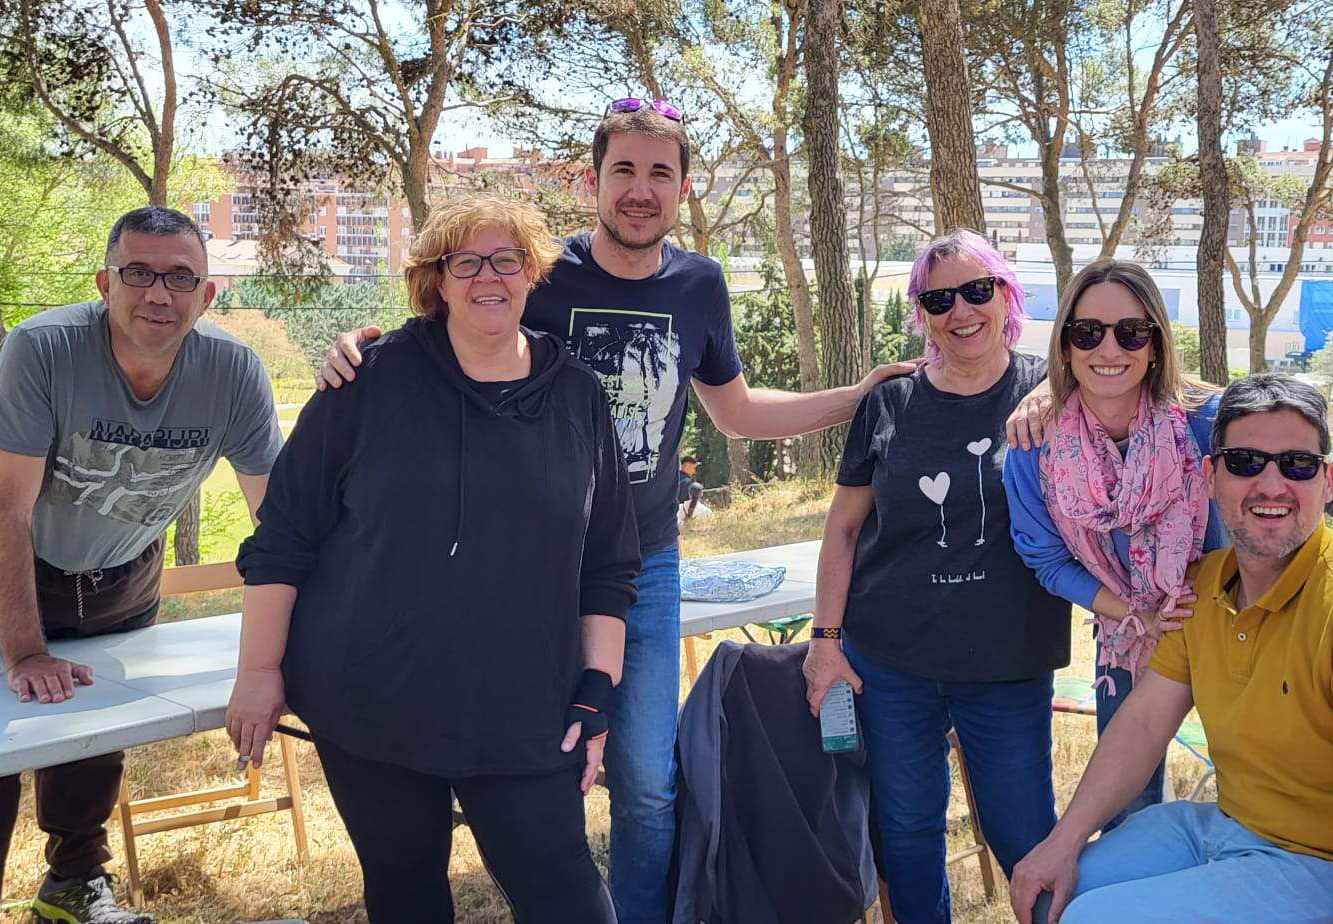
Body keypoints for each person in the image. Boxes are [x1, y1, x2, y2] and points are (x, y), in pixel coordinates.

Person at [312, 98, 917, 922]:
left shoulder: (699, 285)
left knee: (648, 784)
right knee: (525, 761)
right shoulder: (542, 273)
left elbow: (738, 412)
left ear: (684, 189)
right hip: (525, 566)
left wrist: (857, 396)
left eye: (660, 173)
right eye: (623, 170)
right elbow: (448, 334)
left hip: (644, 566)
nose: (641, 189)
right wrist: (357, 347)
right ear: (591, 182)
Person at [225, 195, 640, 923]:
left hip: (524, 708)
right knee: (406, 893)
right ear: (436, 281)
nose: (489, 276)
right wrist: (259, 671)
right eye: (465, 261)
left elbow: (608, 564)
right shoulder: (366, 381)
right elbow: (284, 537)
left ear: (531, 273)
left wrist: (597, 686)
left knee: (567, 897)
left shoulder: (577, 396)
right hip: (373, 699)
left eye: (507, 259)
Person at [0, 207, 282, 924]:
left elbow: (278, 520)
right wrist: (26, 653)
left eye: (181, 277)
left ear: (208, 294)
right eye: (138, 272)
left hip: (124, 575)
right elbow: (4, 511)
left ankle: (74, 886)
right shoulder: (42, 348)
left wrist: (302, 640)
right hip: (13, 571)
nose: (159, 293)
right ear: (104, 283)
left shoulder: (233, 371)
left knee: (94, 740)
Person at [1009, 374, 1333, 924]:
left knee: (1091, 919)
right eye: (1245, 462)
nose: (1271, 485)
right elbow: (1142, 725)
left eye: (1297, 465)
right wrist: (1062, 841)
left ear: (1328, 481)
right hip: (1233, 825)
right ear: (1210, 476)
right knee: (1049, 898)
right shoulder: (1204, 584)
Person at [1002, 258, 1333, 825]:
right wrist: (1136, 613)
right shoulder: (1034, 445)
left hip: (1245, 627)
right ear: (1065, 345)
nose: (1109, 349)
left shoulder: (1205, 419)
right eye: (1087, 332)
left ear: (1155, 344)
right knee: (1126, 802)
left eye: (1131, 332)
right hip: (1133, 636)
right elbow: (1045, 558)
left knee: (1274, 790)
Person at [800, 230, 1072, 923]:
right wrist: (824, 641)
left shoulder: (1054, 392)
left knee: (1024, 837)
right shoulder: (889, 402)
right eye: (939, 299)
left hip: (1007, 663)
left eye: (977, 291)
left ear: (1006, 294)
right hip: (890, 664)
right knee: (906, 834)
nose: (961, 311)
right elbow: (843, 528)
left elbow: (1158, 398)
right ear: (922, 313)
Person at [677, 454, 705, 520]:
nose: (694, 471)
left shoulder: (673, 479)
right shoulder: (688, 482)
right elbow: (688, 503)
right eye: (693, 468)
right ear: (687, 466)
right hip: (681, 515)